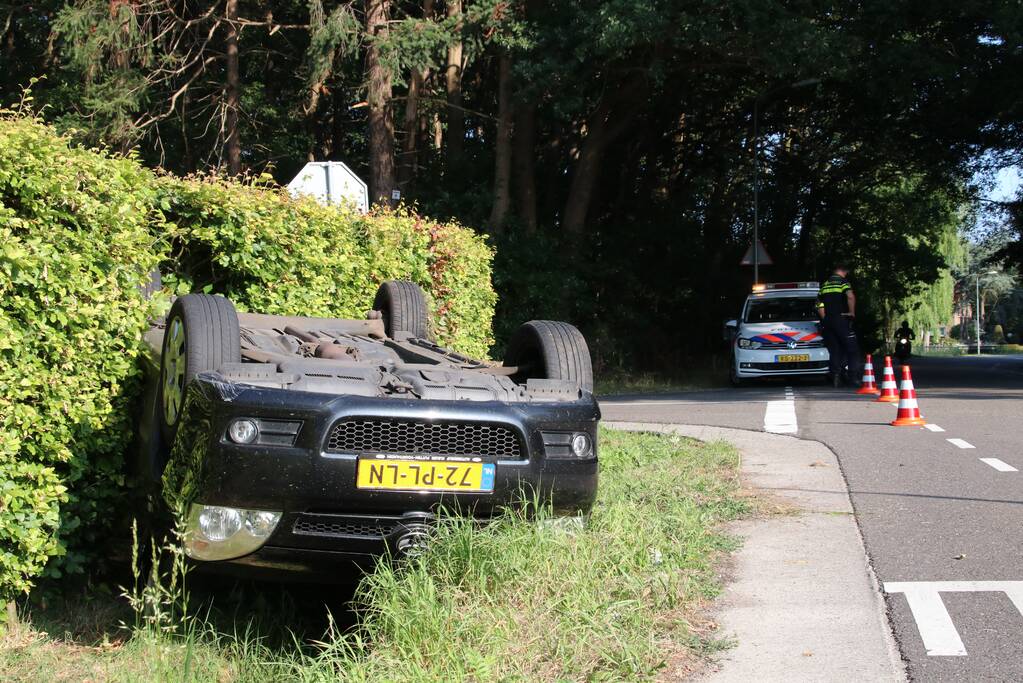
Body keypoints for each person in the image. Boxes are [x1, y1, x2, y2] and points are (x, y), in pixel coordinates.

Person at [817, 265, 862, 387]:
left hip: (828, 322)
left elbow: (819, 303)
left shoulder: (825, 284)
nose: (847, 274)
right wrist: (852, 312)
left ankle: (836, 376)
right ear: (842, 271)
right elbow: (850, 296)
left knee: (835, 350)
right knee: (852, 349)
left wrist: (825, 317)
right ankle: (853, 377)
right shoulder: (843, 282)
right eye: (846, 271)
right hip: (841, 319)